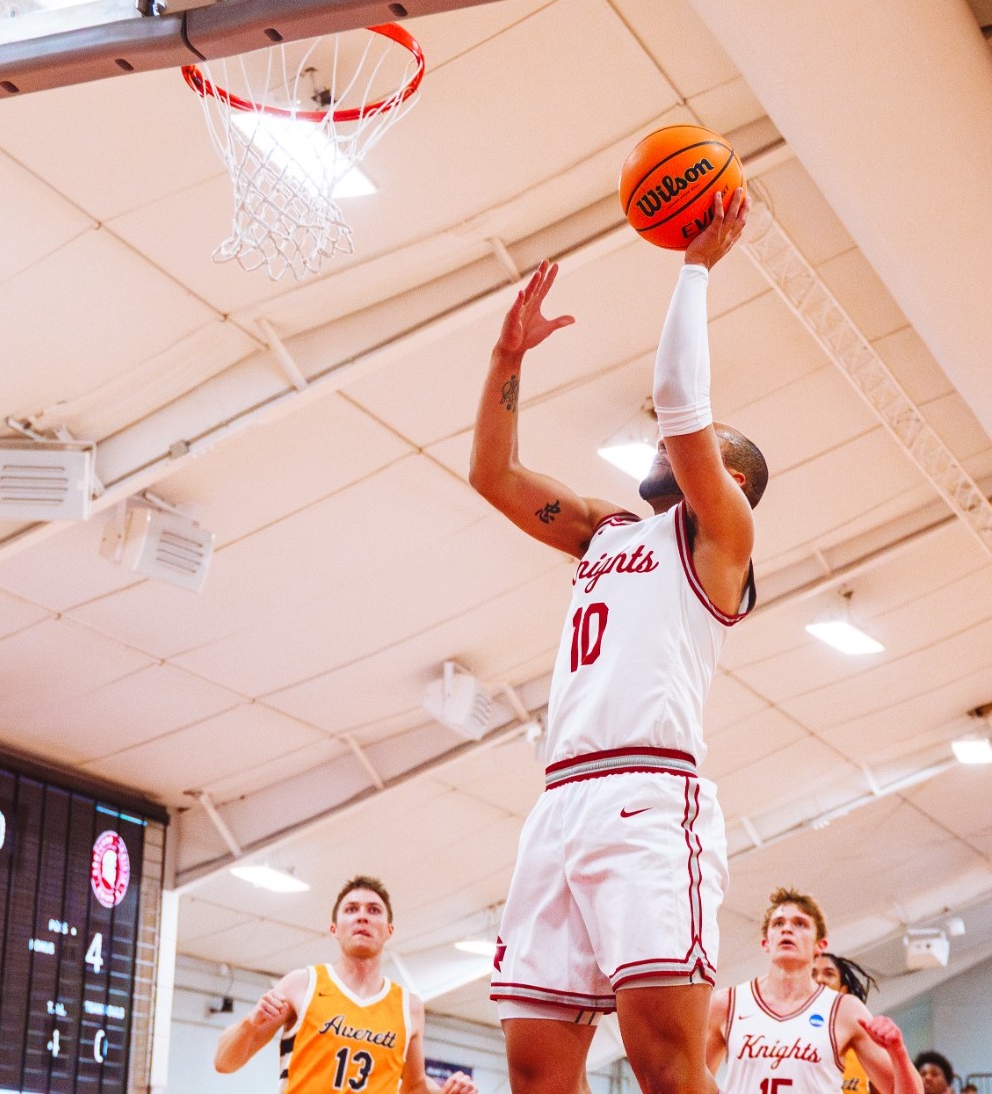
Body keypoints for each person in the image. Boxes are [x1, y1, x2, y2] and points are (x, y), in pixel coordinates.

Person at [472, 189, 767, 1094]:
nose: (682, 445)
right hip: (561, 802)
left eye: (712, 450)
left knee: (668, 1068)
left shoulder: (720, 539)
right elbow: (494, 473)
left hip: (648, 798)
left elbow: (680, 404)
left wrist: (694, 268)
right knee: (534, 1071)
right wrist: (506, 356)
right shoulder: (604, 530)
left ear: (735, 481)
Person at [212, 877, 476, 1094]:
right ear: (334, 929)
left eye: (374, 910)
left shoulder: (409, 1006)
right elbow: (224, 1062)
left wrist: (449, 1092)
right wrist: (250, 1023)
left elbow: (414, 1087)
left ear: (389, 930)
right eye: (351, 909)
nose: (363, 917)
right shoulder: (301, 984)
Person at [708, 888, 921, 1094]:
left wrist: (898, 1052)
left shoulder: (845, 1010)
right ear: (765, 943)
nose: (787, 929)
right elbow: (687, 1080)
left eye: (800, 924)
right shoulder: (728, 1002)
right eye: (778, 923)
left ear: (820, 945)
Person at [812, 952, 881, 1094]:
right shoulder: (787, 1033)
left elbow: (886, 1086)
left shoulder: (861, 1033)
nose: (819, 979)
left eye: (829, 974)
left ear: (843, 990)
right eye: (812, 974)